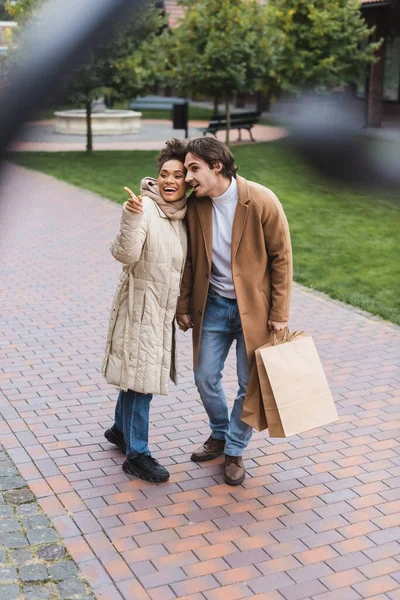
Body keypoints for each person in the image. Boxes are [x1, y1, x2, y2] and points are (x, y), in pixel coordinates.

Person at [177, 137, 292, 486]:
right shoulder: (196, 206)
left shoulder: (260, 199)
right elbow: (189, 259)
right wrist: (183, 305)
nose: (187, 177)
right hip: (212, 306)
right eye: (185, 170)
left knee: (248, 382)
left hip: (254, 311)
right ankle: (220, 433)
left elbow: (282, 258)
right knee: (204, 377)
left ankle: (235, 449)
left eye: (193, 169)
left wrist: (280, 313)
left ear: (217, 166)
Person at [102, 139, 188, 483]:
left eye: (177, 175)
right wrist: (131, 216)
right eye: (164, 174)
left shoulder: (183, 215)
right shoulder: (146, 209)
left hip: (161, 312)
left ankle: (120, 431)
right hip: (140, 307)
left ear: (187, 182)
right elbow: (125, 253)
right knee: (141, 382)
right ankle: (138, 454)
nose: (169, 180)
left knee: (138, 374)